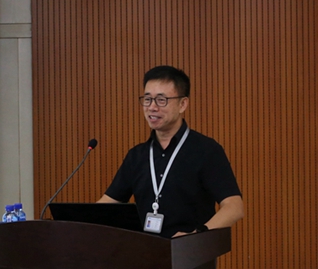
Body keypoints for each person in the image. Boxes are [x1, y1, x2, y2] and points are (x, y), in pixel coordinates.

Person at [98, 65, 244, 238]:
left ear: (182, 104)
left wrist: (196, 235)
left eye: (161, 100)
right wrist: (79, 222)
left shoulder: (206, 150)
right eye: (147, 99)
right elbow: (107, 204)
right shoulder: (137, 156)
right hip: (144, 250)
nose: (152, 107)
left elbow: (234, 207)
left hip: (190, 251)